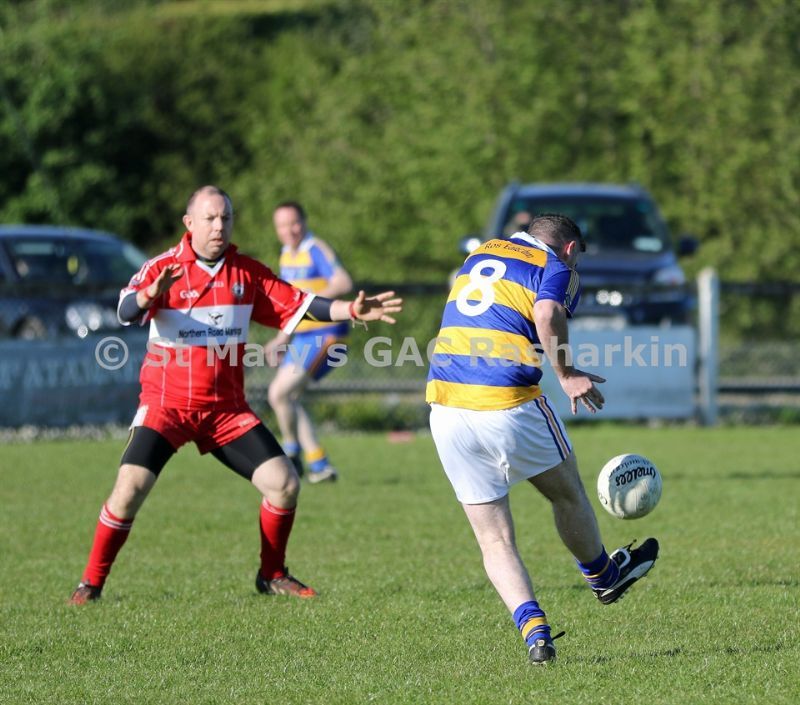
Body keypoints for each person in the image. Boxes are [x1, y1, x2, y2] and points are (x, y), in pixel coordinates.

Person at [69, 186, 401, 605]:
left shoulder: (247, 274)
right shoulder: (163, 267)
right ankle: (90, 584)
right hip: (167, 406)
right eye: (209, 218)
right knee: (130, 488)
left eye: (225, 218)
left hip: (225, 411)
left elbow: (301, 305)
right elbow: (124, 311)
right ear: (189, 223)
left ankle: (272, 574)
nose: (218, 226)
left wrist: (349, 310)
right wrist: (149, 295)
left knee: (284, 484)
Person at [425, 213, 658, 664]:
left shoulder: (481, 252)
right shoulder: (556, 267)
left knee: (494, 539)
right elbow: (547, 313)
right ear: (570, 248)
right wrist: (566, 374)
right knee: (567, 493)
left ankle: (535, 633)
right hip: (507, 402)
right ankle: (603, 576)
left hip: (446, 405)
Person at [266, 202, 353, 484]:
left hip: (328, 335)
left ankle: (291, 452)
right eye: (282, 225)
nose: (289, 230)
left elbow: (343, 282)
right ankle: (318, 464)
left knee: (279, 393)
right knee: (286, 397)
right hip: (304, 337)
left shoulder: (315, 249)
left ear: (304, 221)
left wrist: (310, 302)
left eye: (294, 223)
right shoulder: (286, 255)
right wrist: (281, 338)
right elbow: (292, 307)